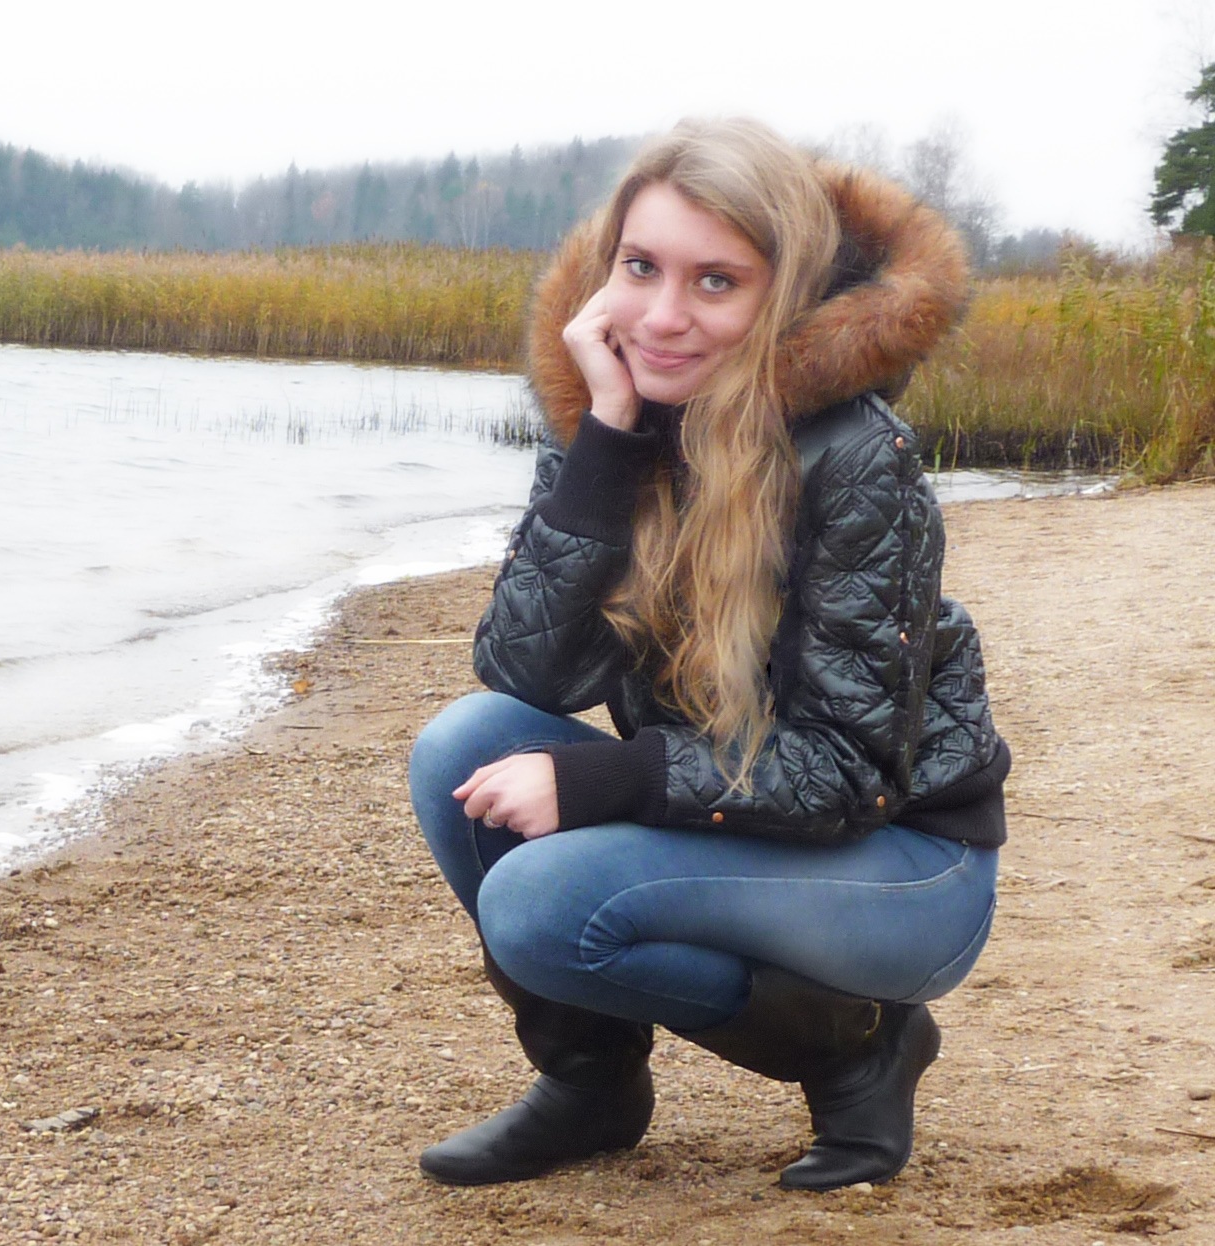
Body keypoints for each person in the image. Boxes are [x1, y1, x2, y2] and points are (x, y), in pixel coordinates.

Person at [408, 117, 1009, 1193]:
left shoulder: (857, 456)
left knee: (541, 904)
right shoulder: (620, 413)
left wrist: (604, 780)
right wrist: (605, 440)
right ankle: (591, 1087)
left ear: (785, 296)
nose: (662, 316)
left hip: (902, 863)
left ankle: (865, 1049)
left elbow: (848, 772)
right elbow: (528, 675)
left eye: (716, 281)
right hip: (747, 811)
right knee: (461, 746)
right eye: (641, 267)